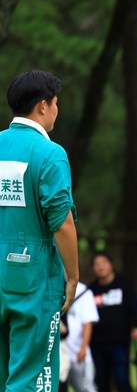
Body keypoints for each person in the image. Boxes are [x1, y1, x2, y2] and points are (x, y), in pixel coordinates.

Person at [0, 70, 79, 391]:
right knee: (33, 374)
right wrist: (73, 276)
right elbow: (62, 222)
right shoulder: (50, 153)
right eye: (57, 103)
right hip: (33, 277)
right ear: (43, 105)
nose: (57, 110)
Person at [89, 252, 137, 392]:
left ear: (111, 264)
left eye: (103, 262)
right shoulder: (91, 289)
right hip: (96, 342)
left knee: (121, 378)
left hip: (120, 340)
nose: (100, 267)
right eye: (96, 264)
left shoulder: (123, 284)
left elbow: (135, 306)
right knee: (101, 380)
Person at [64, 282, 100, 392]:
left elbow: (88, 322)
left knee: (84, 387)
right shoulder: (49, 283)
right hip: (59, 351)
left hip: (77, 352)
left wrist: (83, 348)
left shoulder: (83, 291)